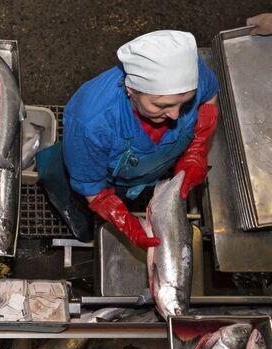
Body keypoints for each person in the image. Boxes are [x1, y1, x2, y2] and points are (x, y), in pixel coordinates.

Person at [37, 30, 218, 248]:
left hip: (139, 179)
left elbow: (210, 97)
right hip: (97, 179)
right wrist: (126, 223)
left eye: (186, 102)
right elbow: (94, 192)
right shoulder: (91, 121)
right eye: (161, 106)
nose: (175, 115)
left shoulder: (190, 72)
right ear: (131, 88)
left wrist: (197, 151)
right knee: (79, 211)